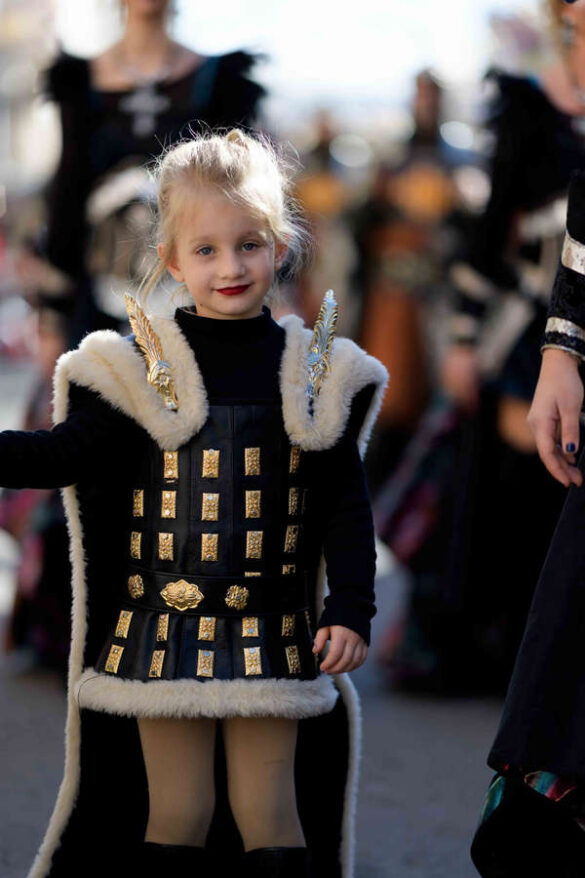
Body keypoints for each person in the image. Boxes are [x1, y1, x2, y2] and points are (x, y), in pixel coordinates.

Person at [3, 129, 388, 878]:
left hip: (273, 628)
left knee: (269, 814)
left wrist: (351, 607)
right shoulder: (138, 370)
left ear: (280, 246)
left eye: (249, 245)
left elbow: (345, 504)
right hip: (161, 629)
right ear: (172, 260)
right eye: (206, 250)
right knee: (178, 815)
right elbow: (58, 456)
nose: (230, 267)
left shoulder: (312, 372)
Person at [18, 0, 265, 344]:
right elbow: (68, 196)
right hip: (96, 301)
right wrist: (54, 312)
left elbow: (243, 199)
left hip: (198, 303)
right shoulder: (77, 81)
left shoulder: (222, 81)